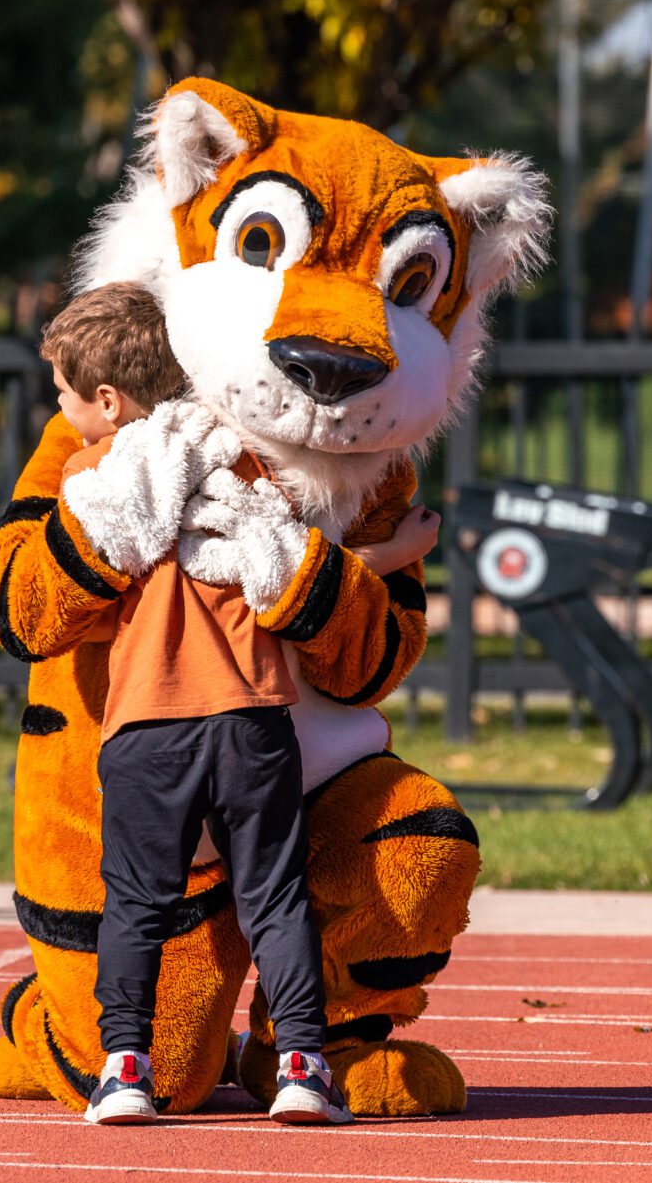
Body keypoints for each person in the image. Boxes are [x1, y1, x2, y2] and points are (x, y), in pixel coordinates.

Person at [39, 282, 437, 1126]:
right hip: (252, 719)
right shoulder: (245, 462)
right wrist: (402, 546)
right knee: (275, 895)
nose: (64, 414)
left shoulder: (99, 477)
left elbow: (90, 570)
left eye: (66, 397)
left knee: (140, 902)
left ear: (107, 401)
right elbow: (307, 545)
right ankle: (300, 1060)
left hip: (147, 726)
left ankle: (124, 1067)